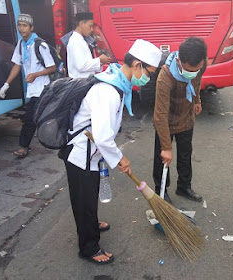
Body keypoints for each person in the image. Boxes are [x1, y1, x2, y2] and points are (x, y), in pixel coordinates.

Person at [64, 39, 161, 264]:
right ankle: (89, 247)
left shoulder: (118, 83)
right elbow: (101, 135)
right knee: (83, 200)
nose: (149, 78)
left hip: (91, 152)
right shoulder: (107, 90)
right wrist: (120, 158)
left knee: (90, 193)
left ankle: (92, 222)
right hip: (79, 153)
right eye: (149, 72)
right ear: (137, 64)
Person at [153, 37, 207, 203]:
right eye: (188, 69)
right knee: (162, 159)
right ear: (178, 60)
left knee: (185, 154)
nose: (193, 72)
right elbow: (160, 115)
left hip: (186, 117)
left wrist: (197, 100)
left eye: (196, 68)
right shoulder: (165, 76)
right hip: (166, 122)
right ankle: (161, 190)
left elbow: (196, 81)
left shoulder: (200, 65)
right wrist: (166, 148)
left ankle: (184, 186)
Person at [0, 14, 56, 158]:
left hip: (42, 87)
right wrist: (7, 84)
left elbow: (52, 68)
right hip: (32, 89)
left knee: (30, 118)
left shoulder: (40, 45)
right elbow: (17, 65)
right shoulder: (21, 44)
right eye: (20, 25)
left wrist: (35, 75)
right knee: (41, 116)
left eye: (24, 26)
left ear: (31, 28)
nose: (21, 28)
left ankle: (24, 146)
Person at [66, 12, 111, 79]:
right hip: (80, 84)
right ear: (81, 24)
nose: (92, 29)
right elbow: (81, 66)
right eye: (90, 26)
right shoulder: (75, 41)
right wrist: (99, 60)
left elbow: (86, 64)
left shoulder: (81, 39)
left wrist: (101, 63)